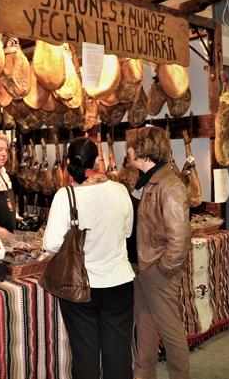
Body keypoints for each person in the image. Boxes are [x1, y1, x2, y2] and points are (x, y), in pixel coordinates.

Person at [42, 137, 135, 379]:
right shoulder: (120, 190)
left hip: (80, 286)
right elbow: (127, 232)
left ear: (67, 162)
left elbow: (51, 244)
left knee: (85, 355)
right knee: (119, 353)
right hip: (119, 281)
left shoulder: (65, 196)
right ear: (97, 160)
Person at [126, 126, 191, 379]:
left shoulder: (169, 183)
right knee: (145, 328)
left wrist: (162, 269)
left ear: (142, 149)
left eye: (130, 144)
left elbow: (179, 238)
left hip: (156, 270)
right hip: (142, 267)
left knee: (171, 331)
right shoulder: (144, 181)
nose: (127, 149)